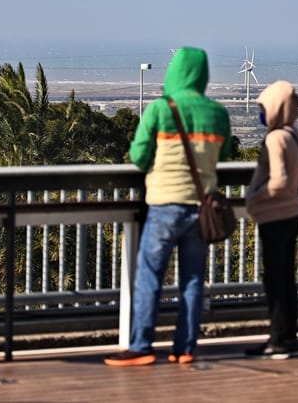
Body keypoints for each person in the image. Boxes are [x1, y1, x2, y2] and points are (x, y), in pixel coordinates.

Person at [104, 47, 232, 367]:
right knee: (193, 280)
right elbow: (225, 155)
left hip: (164, 205)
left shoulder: (160, 109)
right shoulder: (217, 113)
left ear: (174, 71)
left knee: (150, 277)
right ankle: (185, 348)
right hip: (201, 207)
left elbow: (138, 156)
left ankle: (142, 346)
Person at [244, 80, 298, 359]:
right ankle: (288, 337)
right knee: (286, 278)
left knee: (275, 280)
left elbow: (279, 180)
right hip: (291, 212)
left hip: (275, 215)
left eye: (264, 108)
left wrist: (256, 197)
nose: (262, 113)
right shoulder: (293, 135)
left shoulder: (275, 138)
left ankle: (278, 339)